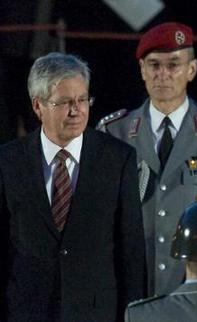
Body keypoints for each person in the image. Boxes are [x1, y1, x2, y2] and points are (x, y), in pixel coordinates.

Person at [96, 21, 197, 297]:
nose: (163, 75)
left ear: (191, 70)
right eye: (154, 65)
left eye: (173, 65)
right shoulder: (114, 132)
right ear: (142, 70)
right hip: (130, 290)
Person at [0, 52, 145, 322]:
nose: (77, 110)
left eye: (82, 100)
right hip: (26, 312)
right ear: (38, 106)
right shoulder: (8, 162)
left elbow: (131, 252)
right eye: (65, 102)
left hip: (96, 313)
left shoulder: (117, 159)